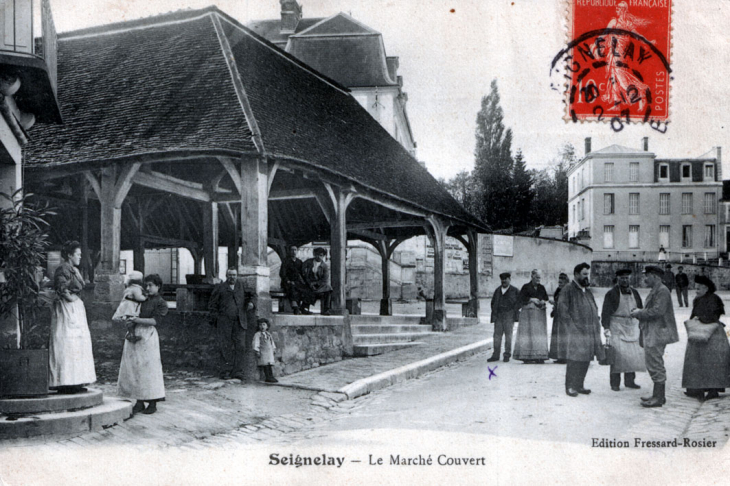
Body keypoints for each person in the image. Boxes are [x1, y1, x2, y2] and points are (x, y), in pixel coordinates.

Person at [49, 241, 97, 394]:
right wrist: (71, 299)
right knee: (67, 343)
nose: (80, 257)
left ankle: (76, 381)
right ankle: (65, 382)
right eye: (77, 254)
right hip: (67, 309)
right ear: (69, 255)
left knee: (77, 345)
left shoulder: (74, 270)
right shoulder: (63, 269)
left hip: (75, 308)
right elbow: (61, 288)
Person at [117, 274, 168, 415]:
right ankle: (139, 401)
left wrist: (136, 320)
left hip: (148, 336)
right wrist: (128, 320)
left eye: (151, 285)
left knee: (149, 369)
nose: (148, 288)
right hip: (135, 334)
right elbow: (129, 309)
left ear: (158, 286)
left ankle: (152, 402)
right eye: (146, 285)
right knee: (135, 368)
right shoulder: (142, 299)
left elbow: (155, 321)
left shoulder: (160, 302)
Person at [630, 265, 680, 408]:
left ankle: (659, 397)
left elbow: (657, 312)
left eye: (647, 276)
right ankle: (658, 395)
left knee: (655, 363)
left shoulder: (662, 291)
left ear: (655, 276)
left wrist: (639, 313)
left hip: (657, 333)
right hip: (653, 331)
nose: (645, 278)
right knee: (652, 362)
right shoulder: (656, 290)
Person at [558, 263, 604, 397]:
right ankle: (570, 386)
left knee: (586, 358)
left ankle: (579, 385)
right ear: (576, 274)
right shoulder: (568, 289)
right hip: (576, 332)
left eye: (588, 274)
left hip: (589, 331)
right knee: (574, 359)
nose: (587, 277)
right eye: (584, 274)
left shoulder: (587, 290)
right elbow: (563, 310)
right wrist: (571, 328)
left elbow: (593, 307)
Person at [681, 275, 730, 401]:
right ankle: (696, 389)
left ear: (706, 288)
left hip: (713, 334)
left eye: (698, 288)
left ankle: (713, 390)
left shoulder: (715, 299)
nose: (696, 290)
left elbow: (714, 317)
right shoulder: (698, 299)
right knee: (695, 361)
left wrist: (699, 319)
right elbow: (694, 315)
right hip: (699, 333)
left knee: (712, 362)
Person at [601, 269, 645, 391]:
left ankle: (630, 381)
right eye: (622, 278)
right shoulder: (611, 294)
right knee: (617, 356)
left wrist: (642, 323)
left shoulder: (635, 293)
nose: (625, 280)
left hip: (632, 326)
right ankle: (615, 383)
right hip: (617, 326)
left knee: (631, 355)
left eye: (627, 278)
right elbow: (605, 312)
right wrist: (606, 328)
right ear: (618, 279)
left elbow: (640, 309)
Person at [208, 267, 255, 380]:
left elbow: (253, 294)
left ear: (237, 275)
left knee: (240, 346)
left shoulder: (241, 286)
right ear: (226, 276)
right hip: (224, 323)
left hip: (240, 322)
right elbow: (212, 305)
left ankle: (237, 371)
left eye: (234, 275)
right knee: (225, 346)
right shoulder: (220, 288)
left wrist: (252, 303)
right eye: (230, 275)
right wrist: (217, 319)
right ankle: (225, 371)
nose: (232, 277)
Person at [514, 269, 549, 364]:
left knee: (539, 335)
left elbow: (546, 298)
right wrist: (531, 299)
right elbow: (520, 299)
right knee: (528, 334)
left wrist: (542, 301)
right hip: (528, 316)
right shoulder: (525, 287)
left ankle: (539, 356)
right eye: (537, 277)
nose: (538, 279)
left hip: (539, 316)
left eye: (539, 278)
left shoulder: (541, 287)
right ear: (532, 276)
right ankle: (527, 357)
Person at [488, 272, 521, 363]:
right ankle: (496, 355)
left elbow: (519, 302)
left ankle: (507, 355)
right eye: (502, 279)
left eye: (506, 279)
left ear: (509, 279)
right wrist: (495, 313)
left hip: (509, 315)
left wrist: (514, 312)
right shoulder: (497, 291)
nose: (504, 281)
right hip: (499, 315)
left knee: (508, 336)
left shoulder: (515, 290)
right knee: (497, 336)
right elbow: (493, 303)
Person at [112, 271, 147, 343]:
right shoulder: (136, 288)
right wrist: (145, 298)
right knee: (132, 320)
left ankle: (130, 333)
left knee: (129, 320)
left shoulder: (129, 288)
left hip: (125, 305)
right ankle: (131, 334)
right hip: (131, 306)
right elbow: (139, 298)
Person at [279, 245, 309, 314]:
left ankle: (303, 307)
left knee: (306, 289)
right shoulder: (286, 261)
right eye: (292, 250)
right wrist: (288, 281)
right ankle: (295, 307)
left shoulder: (299, 262)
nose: (293, 252)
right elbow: (282, 274)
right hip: (287, 282)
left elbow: (302, 273)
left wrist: (304, 282)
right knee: (292, 288)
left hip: (297, 282)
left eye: (295, 250)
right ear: (289, 251)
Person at [302, 247, 333, 315]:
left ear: (323, 256)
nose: (318, 257)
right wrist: (310, 283)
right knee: (307, 290)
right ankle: (305, 308)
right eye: (317, 255)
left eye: (321, 255)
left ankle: (326, 309)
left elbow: (324, 279)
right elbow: (304, 274)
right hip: (308, 283)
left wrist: (315, 284)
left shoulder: (324, 266)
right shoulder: (308, 262)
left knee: (328, 288)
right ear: (314, 254)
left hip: (319, 285)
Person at [549, 273, 570, 364]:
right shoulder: (558, 290)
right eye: (559, 282)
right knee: (557, 336)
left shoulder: (569, 290)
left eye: (562, 282)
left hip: (565, 316)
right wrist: (554, 304)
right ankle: (559, 356)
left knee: (564, 335)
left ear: (566, 282)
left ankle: (565, 356)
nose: (560, 284)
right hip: (558, 316)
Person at [253, 318, 278, 383]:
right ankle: (268, 377)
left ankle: (271, 376)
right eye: (260, 325)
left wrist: (274, 348)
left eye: (264, 325)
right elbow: (256, 342)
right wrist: (257, 350)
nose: (262, 326)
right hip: (263, 352)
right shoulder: (258, 334)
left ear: (267, 326)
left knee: (269, 364)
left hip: (269, 352)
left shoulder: (268, 334)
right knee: (265, 364)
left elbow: (272, 342)